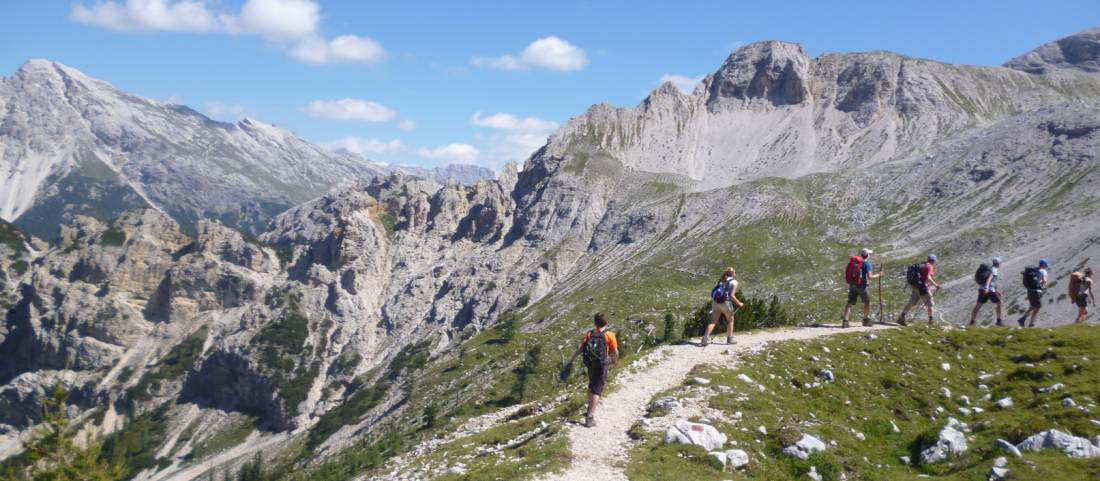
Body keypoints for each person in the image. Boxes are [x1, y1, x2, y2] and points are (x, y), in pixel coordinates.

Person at [568, 313, 619, 427]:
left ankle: (589, 408)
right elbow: (615, 351)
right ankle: (590, 417)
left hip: (590, 364)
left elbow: (580, 349)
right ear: (606, 323)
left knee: (592, 385)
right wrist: (616, 361)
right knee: (597, 389)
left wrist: (571, 360)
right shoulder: (609, 335)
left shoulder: (589, 334)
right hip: (602, 365)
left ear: (595, 323)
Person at [703, 267, 743, 346]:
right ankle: (730, 339)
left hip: (716, 302)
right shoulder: (734, 282)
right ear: (733, 273)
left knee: (713, 321)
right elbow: (732, 295)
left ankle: (705, 339)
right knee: (730, 320)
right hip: (726, 303)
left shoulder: (721, 280)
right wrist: (739, 303)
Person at [842, 248, 882, 328]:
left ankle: (845, 322)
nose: (870, 255)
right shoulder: (867, 263)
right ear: (867, 255)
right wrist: (879, 274)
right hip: (862, 286)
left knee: (849, 303)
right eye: (869, 254)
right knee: (867, 302)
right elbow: (870, 277)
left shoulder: (854, 262)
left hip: (852, 285)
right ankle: (865, 320)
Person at [899, 254, 940, 326]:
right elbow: (928, 277)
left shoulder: (922, 265)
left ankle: (901, 317)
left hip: (915, 287)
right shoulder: (929, 267)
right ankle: (931, 322)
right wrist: (936, 285)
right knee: (930, 305)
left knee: (911, 303)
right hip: (923, 288)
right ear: (933, 261)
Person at [969, 257, 1004, 327]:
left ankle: (972, 322)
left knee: (978, 305)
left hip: (982, 289)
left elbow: (991, 281)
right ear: (999, 264)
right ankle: (999, 321)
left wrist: (996, 291)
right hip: (989, 290)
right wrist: (987, 288)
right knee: (999, 303)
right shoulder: (994, 270)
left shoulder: (989, 269)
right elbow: (989, 279)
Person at [1016, 259, 1049, 328]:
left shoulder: (1035, 270)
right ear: (1043, 265)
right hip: (1036, 292)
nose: (1047, 266)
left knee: (1032, 306)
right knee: (1038, 307)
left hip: (1029, 290)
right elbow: (1044, 281)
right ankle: (1031, 324)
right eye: (1046, 265)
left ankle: (1022, 319)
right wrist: (1043, 286)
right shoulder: (1043, 271)